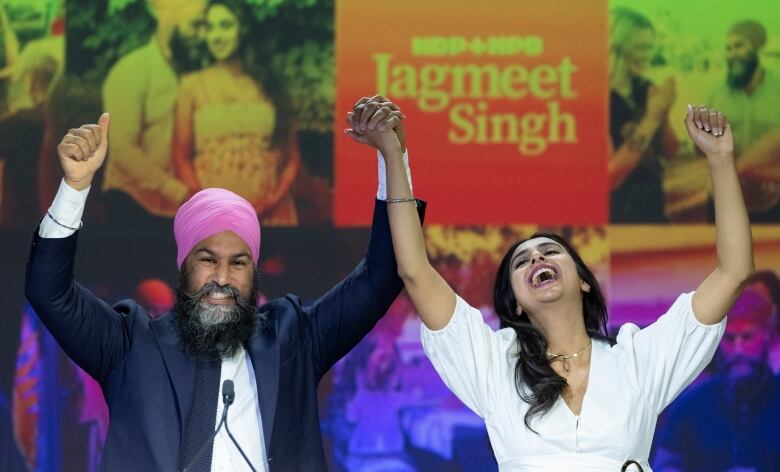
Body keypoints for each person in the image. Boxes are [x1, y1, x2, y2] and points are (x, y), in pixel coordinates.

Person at [347, 99, 753, 470]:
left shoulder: (637, 358)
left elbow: (733, 272)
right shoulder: (494, 362)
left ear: (584, 284)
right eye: (522, 261)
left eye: (551, 252)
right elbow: (415, 270)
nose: (537, 259)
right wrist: (393, 157)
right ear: (518, 303)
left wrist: (720, 159)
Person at [25, 105, 424, 470]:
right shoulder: (130, 345)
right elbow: (49, 291)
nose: (222, 278)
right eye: (206, 259)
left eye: (238, 263)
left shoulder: (294, 339)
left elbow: (379, 277)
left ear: (254, 272)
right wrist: (74, 189)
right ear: (182, 264)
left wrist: (393, 157)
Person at [171, 0, 299, 225]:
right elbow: (180, 158)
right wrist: (209, 204)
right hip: (212, 217)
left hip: (270, 215)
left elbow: (292, 160)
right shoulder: (192, 86)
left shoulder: (269, 85)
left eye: (225, 25)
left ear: (244, 29)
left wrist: (271, 201)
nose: (216, 36)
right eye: (210, 28)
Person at [101, 0, 207, 224]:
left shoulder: (196, 71)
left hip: (183, 209)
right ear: (165, 15)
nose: (202, 34)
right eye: (196, 25)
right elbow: (123, 150)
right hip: (134, 206)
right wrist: (178, 192)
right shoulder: (131, 70)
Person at [654, 290, 780, 471]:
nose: (738, 350)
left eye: (747, 337)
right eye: (729, 338)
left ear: (766, 335)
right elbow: (666, 467)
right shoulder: (691, 404)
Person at [608, 7, 678, 223]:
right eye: (640, 48)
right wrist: (651, 119)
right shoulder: (597, 98)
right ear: (617, 48)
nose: (648, 56)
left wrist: (663, 115)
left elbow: (670, 152)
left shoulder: (645, 88)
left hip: (653, 205)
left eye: (650, 47)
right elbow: (609, 178)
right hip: (618, 214)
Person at [708, 19, 780, 222]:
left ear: (757, 46)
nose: (732, 54)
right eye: (728, 48)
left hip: (772, 203)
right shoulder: (716, 93)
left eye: (739, 45)